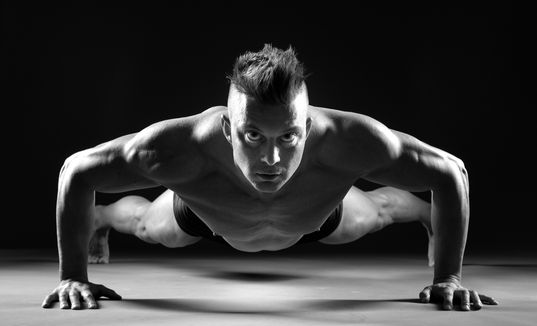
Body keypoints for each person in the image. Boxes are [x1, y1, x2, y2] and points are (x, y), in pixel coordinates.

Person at [42, 44, 497, 311]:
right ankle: (99, 220)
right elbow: (77, 171)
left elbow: (449, 172)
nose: (272, 159)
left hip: (314, 209)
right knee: (145, 225)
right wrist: (72, 275)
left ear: (310, 128)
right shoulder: (177, 149)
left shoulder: (350, 140)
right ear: (227, 128)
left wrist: (449, 277)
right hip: (207, 210)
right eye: (253, 135)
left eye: (289, 137)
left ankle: (426, 217)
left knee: (377, 210)